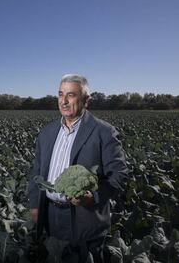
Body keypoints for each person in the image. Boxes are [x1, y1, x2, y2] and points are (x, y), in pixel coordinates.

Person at [28, 74, 129, 262]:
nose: (64, 101)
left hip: (85, 219)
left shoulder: (104, 132)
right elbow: (37, 173)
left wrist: (94, 196)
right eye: (60, 94)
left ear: (86, 100)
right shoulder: (47, 132)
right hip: (50, 216)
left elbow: (119, 175)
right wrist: (35, 205)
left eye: (71, 95)